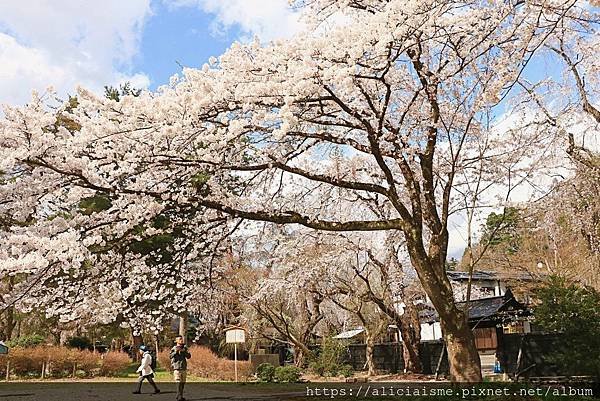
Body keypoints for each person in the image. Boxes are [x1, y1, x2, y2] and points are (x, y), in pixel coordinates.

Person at [170, 335, 191, 401]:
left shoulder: (185, 348)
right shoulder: (174, 348)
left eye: (182, 339)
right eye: (179, 339)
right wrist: (176, 351)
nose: (181, 340)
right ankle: (179, 397)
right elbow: (170, 356)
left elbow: (189, 356)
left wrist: (184, 351)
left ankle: (180, 396)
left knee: (183, 383)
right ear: (176, 341)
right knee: (178, 383)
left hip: (183, 368)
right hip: (177, 368)